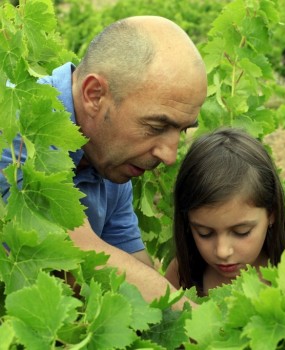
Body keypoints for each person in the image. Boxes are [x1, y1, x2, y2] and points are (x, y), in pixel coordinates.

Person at [0, 16, 207, 307]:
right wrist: (206, 329)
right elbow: (78, 256)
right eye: (157, 126)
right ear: (94, 95)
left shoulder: (108, 161)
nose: (170, 156)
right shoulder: (16, 124)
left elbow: (133, 269)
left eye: (182, 131)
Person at [165, 127, 285, 297]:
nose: (222, 251)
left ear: (272, 213)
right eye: (204, 233)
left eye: (242, 232)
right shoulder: (182, 274)